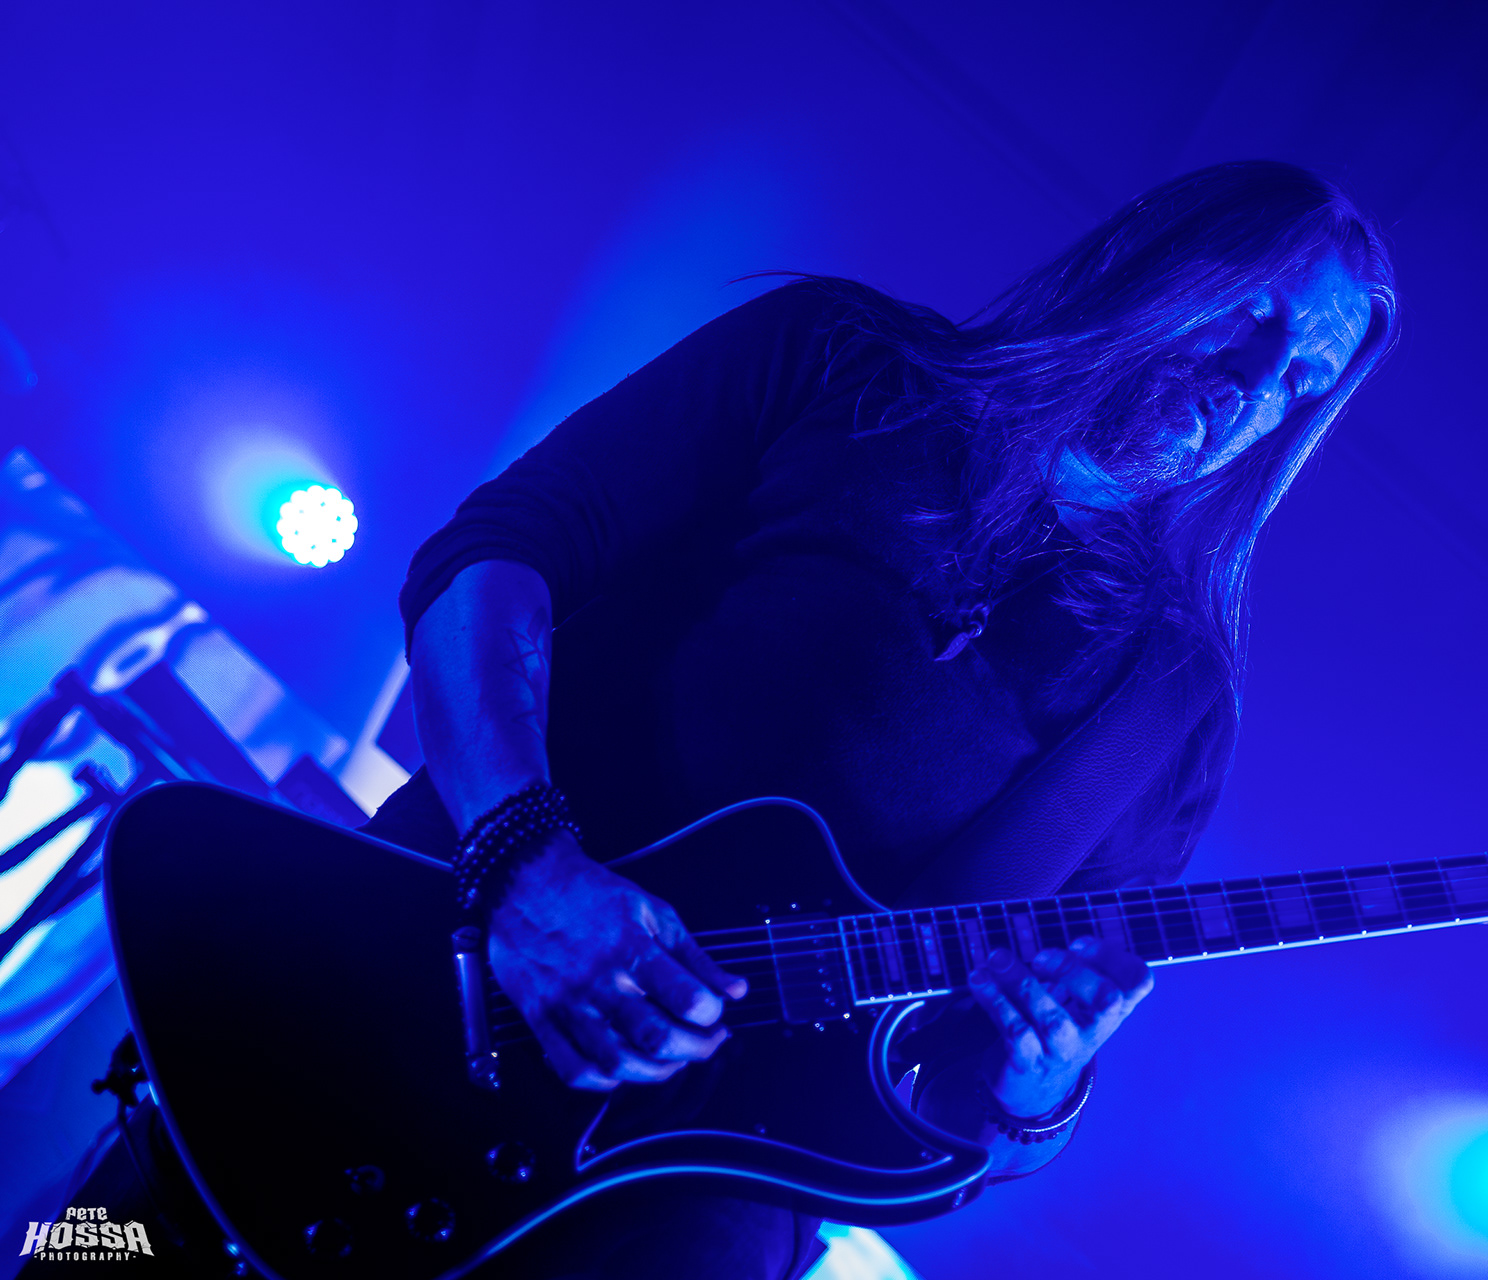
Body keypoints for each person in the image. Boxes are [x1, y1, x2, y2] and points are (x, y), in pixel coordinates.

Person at [75, 160, 1398, 1279]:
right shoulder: (834, 359)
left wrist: (1040, 1084)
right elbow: (494, 556)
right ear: (1153, 259)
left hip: (672, 1208)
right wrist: (531, 866)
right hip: (393, 978)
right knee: (96, 1253)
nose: (1253, 383)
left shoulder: (1173, 703)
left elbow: (964, 1102)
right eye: (1253, 316)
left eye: (1300, 379)